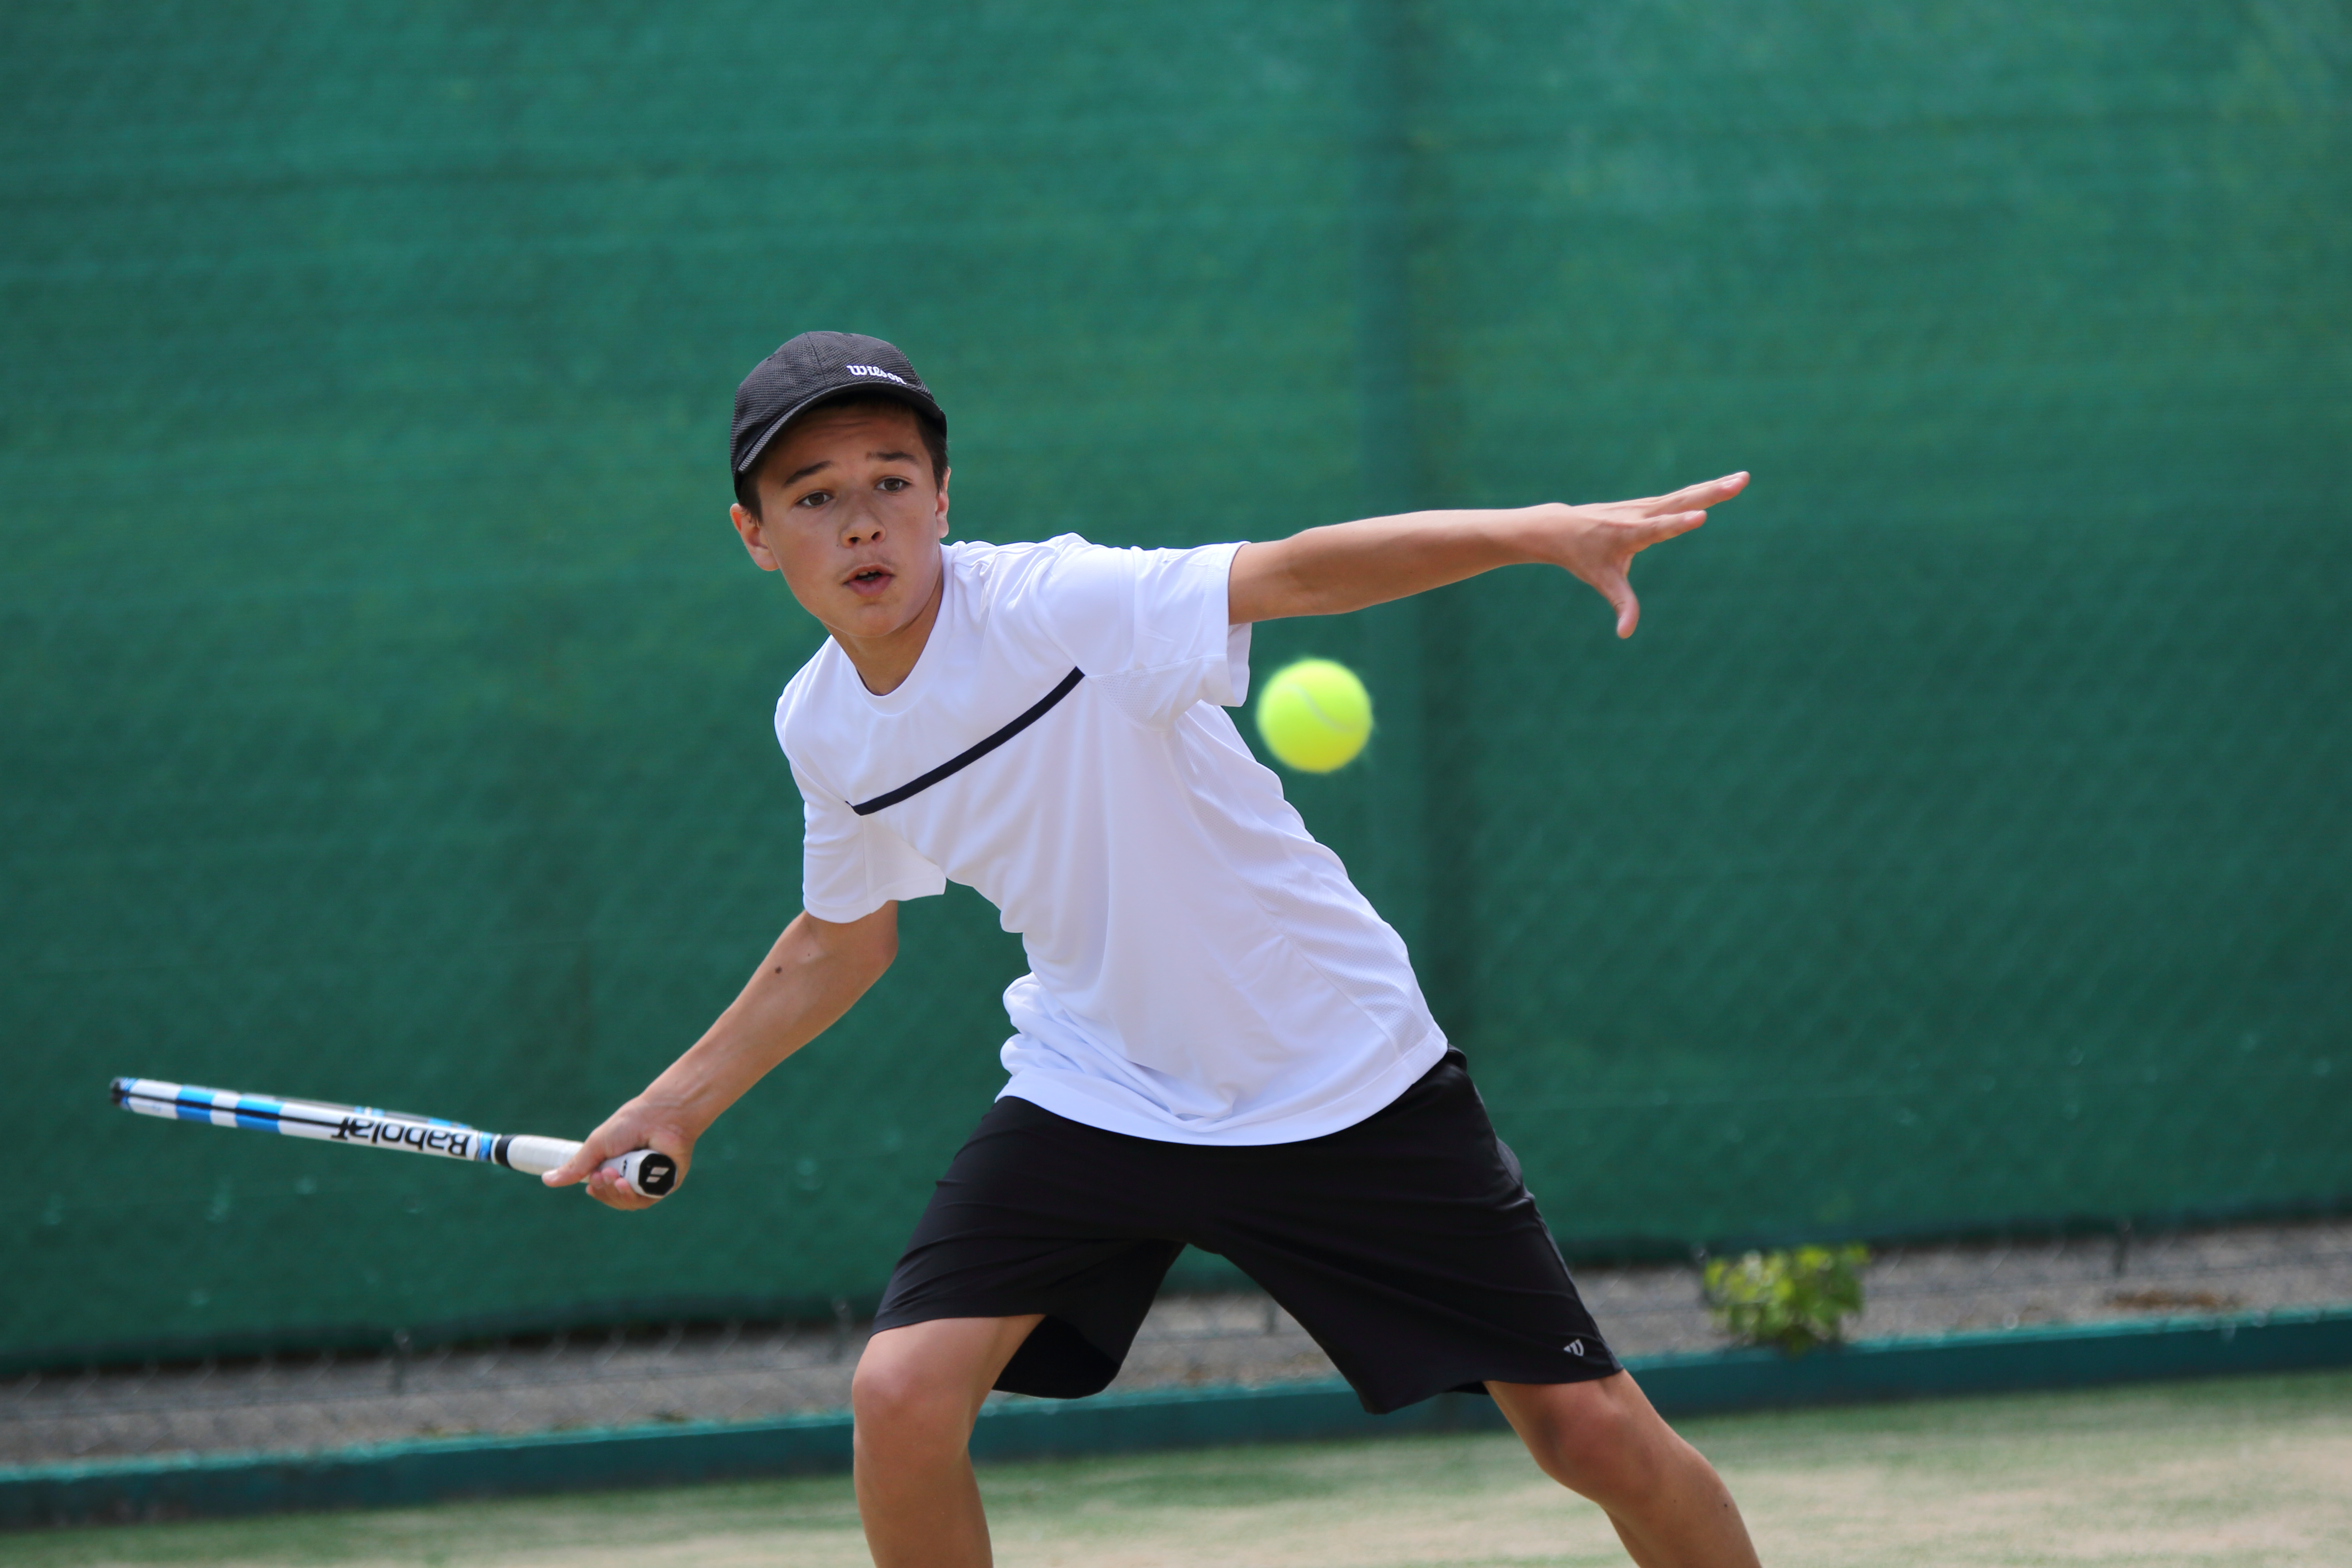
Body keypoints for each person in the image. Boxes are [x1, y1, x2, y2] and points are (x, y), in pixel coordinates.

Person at [550, 331, 1760, 1567]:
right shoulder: (821, 724)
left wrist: (1538, 531)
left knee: (1589, 1436)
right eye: (814, 497)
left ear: (943, 497)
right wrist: (677, 1103)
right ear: (754, 532)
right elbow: (845, 936)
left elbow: (1296, 572)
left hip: (1336, 1072)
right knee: (900, 1396)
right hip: (1104, 1084)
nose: (862, 521)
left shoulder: (1056, 604)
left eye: (892, 481)